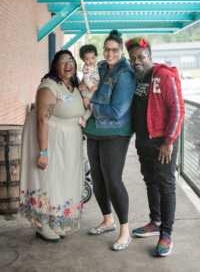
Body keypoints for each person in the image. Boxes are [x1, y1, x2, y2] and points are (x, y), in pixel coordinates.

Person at [125, 37, 185, 256]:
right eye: (132, 58)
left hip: (162, 142)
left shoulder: (164, 75)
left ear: (150, 56)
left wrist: (169, 141)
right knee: (150, 182)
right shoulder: (137, 77)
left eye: (141, 56)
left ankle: (166, 235)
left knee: (166, 186)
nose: (137, 61)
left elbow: (178, 110)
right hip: (144, 141)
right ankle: (155, 222)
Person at [19, 50, 85, 242]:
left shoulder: (74, 85)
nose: (67, 64)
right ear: (55, 66)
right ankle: (41, 225)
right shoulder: (49, 86)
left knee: (61, 182)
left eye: (70, 61)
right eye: (62, 61)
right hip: (51, 140)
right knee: (46, 179)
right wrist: (43, 151)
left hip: (69, 143)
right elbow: (41, 120)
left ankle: (55, 221)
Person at [79, 30, 136, 251]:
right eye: (106, 48)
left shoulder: (125, 73)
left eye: (114, 49)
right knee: (98, 178)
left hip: (115, 132)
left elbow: (116, 110)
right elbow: (86, 83)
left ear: (120, 50)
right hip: (94, 131)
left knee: (113, 179)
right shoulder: (100, 67)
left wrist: (91, 106)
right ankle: (107, 219)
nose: (109, 52)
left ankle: (124, 231)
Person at [79, 44, 100, 128]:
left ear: (96, 56)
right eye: (87, 59)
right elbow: (87, 79)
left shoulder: (94, 65)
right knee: (93, 105)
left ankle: (85, 116)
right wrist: (92, 87)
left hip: (91, 90)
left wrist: (97, 66)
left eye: (92, 58)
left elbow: (95, 71)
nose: (90, 61)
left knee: (92, 105)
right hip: (88, 90)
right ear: (83, 60)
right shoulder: (86, 68)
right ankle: (84, 118)